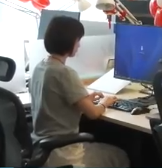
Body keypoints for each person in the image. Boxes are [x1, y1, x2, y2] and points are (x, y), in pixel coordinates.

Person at [29, 16, 130, 167]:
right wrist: (105, 102)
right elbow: (93, 114)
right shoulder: (64, 72)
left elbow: (55, 103)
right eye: (78, 40)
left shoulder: (40, 67)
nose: (79, 45)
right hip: (64, 155)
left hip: (41, 150)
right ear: (69, 42)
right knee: (120, 156)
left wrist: (85, 99)